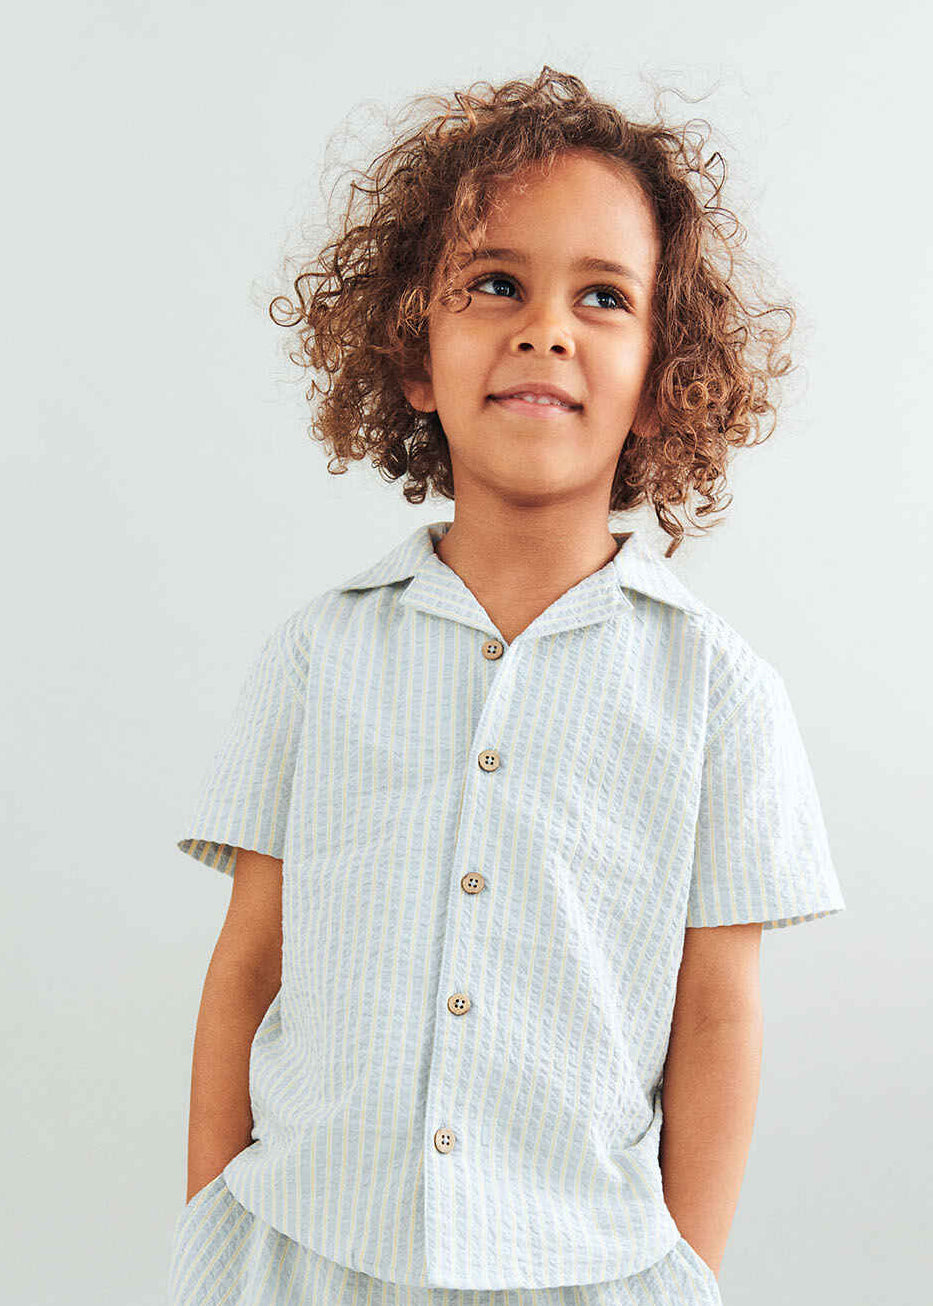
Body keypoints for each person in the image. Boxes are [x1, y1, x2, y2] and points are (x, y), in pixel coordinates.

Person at [167, 66, 846, 1306]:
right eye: (495, 285)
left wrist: (682, 1271)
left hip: (582, 1271)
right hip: (304, 1254)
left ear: (659, 381)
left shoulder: (721, 695)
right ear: (413, 356)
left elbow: (717, 1017)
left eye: (603, 296)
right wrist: (214, 1218)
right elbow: (248, 962)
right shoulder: (316, 657)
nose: (546, 328)